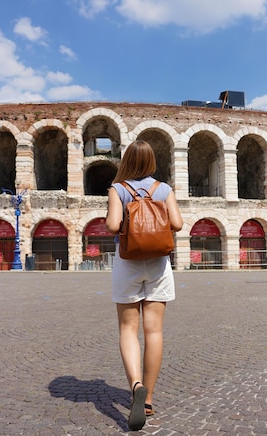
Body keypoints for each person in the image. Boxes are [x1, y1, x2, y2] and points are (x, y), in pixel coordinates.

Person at [105, 140, 183, 431]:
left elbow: (113, 226)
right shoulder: (163, 189)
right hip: (159, 263)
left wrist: (124, 215)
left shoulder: (118, 189)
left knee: (128, 329)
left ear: (127, 161)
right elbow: (177, 223)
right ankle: (148, 398)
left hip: (128, 262)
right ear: (151, 162)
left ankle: (135, 384)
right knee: (154, 330)